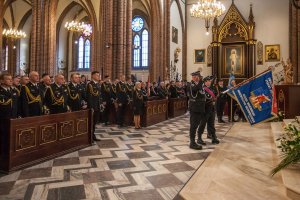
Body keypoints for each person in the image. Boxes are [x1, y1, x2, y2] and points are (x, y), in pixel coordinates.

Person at [197, 76, 220, 145]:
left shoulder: (211, 88)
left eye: (210, 81)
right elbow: (205, 98)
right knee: (202, 124)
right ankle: (199, 138)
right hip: (205, 109)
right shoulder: (203, 89)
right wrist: (211, 99)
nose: (209, 82)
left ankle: (213, 137)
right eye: (208, 81)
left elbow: (214, 95)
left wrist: (215, 98)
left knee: (211, 124)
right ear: (205, 82)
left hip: (211, 109)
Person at [188, 71, 206, 150]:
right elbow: (196, 89)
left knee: (197, 124)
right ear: (193, 77)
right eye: (195, 76)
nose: (197, 78)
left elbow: (202, 94)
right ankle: (192, 142)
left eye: (198, 76)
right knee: (193, 125)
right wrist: (201, 81)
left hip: (200, 108)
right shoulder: (191, 85)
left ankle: (196, 140)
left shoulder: (200, 85)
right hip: (195, 108)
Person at [86, 71, 102, 141]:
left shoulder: (98, 84)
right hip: (93, 106)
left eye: (99, 75)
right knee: (91, 122)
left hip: (97, 106)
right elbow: (89, 97)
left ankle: (93, 135)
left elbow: (99, 96)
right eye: (97, 75)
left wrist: (100, 104)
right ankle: (90, 137)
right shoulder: (90, 85)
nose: (98, 77)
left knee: (95, 122)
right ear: (92, 76)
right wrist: (91, 107)